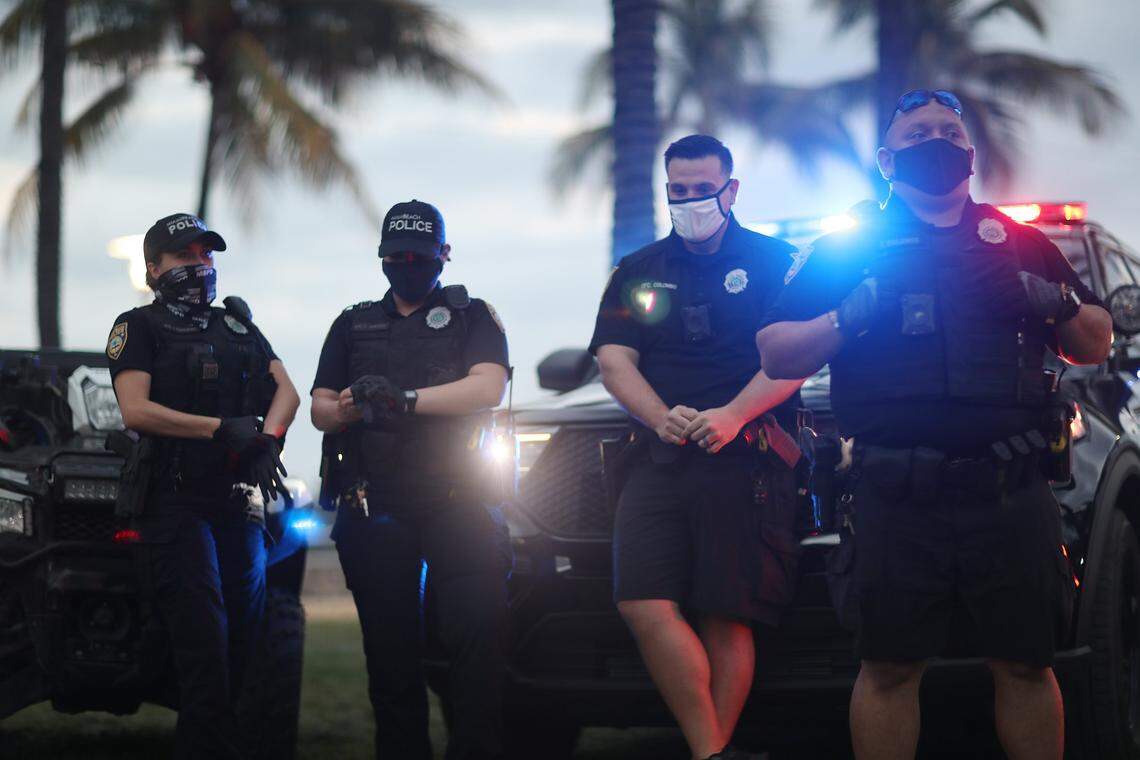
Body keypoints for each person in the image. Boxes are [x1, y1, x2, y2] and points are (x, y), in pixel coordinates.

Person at [756, 90, 1113, 760]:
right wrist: (847, 315)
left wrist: (1051, 297)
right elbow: (775, 352)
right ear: (889, 159)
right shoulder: (848, 250)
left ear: (970, 155)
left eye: (949, 131)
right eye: (918, 133)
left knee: (1027, 665)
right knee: (889, 669)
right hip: (896, 493)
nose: (937, 141)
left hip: (1011, 491)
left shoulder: (1020, 243)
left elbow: (1094, 341)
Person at [589, 134, 805, 760]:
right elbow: (613, 360)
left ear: (731, 189)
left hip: (749, 460)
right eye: (677, 191)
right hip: (658, 459)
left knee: (725, 614)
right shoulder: (638, 271)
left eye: (702, 188)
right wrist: (660, 418)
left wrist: (734, 416)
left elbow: (795, 361)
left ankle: (708, 751)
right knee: (642, 602)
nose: (691, 201)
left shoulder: (777, 262)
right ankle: (713, 753)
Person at [311, 200, 511, 760]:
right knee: (390, 658)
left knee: (477, 645)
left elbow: (487, 387)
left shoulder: (473, 317)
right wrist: (352, 406)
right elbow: (320, 407)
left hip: (460, 503)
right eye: (395, 255)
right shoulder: (353, 323)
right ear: (381, 257)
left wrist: (406, 400)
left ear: (444, 254)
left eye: (419, 255)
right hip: (376, 506)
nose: (407, 264)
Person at [107, 212, 300, 758]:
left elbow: (286, 391)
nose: (200, 266)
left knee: (244, 646)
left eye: (206, 255)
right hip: (173, 503)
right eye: (185, 257)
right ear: (153, 269)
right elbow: (136, 410)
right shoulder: (138, 327)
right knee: (206, 652)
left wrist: (268, 437)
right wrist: (222, 430)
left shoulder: (237, 325)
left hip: (238, 502)